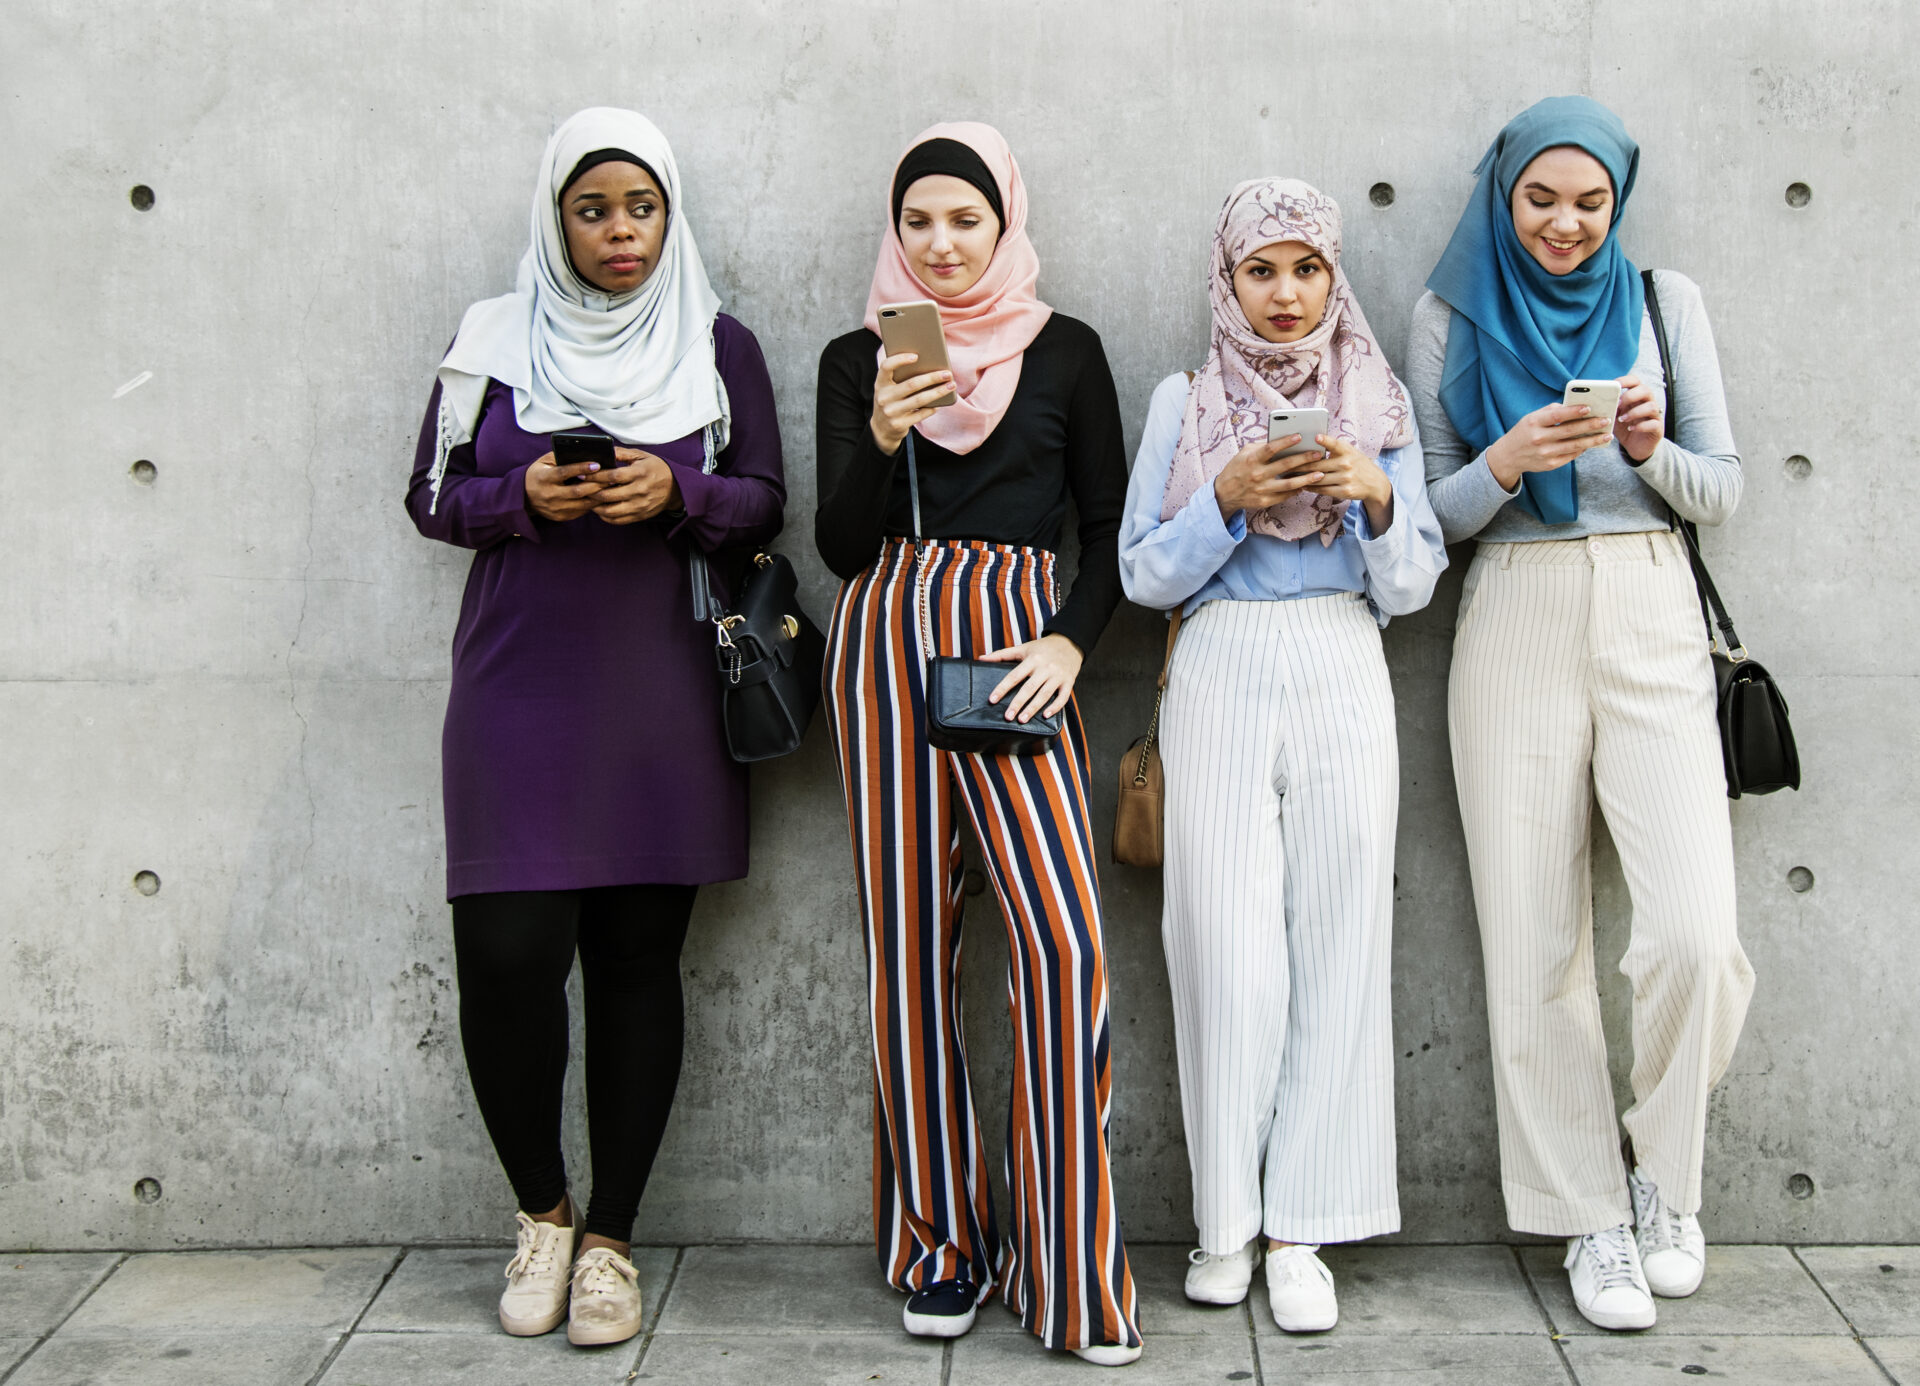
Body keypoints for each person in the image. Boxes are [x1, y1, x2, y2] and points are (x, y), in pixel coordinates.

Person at [403, 107, 785, 1347]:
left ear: (670, 215)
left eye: (642, 208)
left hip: (662, 691)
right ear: (556, 218)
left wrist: (681, 490)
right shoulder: (492, 337)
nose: (620, 232)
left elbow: (768, 504)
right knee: (508, 964)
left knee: (634, 968)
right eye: (593, 208)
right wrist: (522, 494)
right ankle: (543, 1214)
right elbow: (427, 493)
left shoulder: (718, 342)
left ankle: (613, 1240)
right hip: (517, 687)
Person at [1405, 95, 1752, 1332]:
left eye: (1588, 200)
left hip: (1652, 603)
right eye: (1540, 199)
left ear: (1619, 200)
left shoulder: (1666, 303)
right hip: (1511, 612)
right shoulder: (1449, 311)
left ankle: (1664, 1177)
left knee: (1695, 935)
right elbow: (1424, 520)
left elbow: (1721, 490)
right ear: (1504, 196)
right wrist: (1508, 462)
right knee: (1533, 937)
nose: (1563, 223)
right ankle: (1587, 1216)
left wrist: (1650, 449)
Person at [813, 122, 1141, 1367]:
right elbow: (839, 546)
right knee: (909, 951)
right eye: (919, 224)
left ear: (1007, 222)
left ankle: (1067, 1265)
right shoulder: (862, 359)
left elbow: (1108, 523)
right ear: (894, 233)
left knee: (1061, 945)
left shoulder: (1067, 353)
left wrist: (1068, 642)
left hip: (1016, 657)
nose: (942, 247)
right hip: (885, 647)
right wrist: (888, 434)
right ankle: (941, 1241)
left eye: (966, 221)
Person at [1118, 179, 1444, 1331]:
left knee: (1340, 940)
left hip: (1346, 663)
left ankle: (1304, 1225)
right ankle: (1226, 1223)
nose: (1288, 292)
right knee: (1225, 948)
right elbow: (1140, 575)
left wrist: (1372, 494)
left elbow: (1410, 589)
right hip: (1218, 663)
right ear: (1228, 279)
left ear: (1333, 274)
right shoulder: (1185, 400)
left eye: (1307, 268)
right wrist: (1223, 498)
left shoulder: (1380, 399)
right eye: (1264, 269)